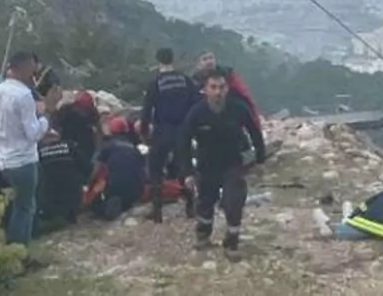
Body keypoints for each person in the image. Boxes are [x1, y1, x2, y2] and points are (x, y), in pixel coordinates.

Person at [178, 69, 266, 260]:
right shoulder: (196, 113)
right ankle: (203, 235)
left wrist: (260, 159)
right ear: (205, 90)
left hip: (233, 164)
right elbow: (183, 142)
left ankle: (231, 244)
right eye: (213, 87)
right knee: (205, 203)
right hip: (206, 165)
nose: (218, 92)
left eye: (222, 87)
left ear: (228, 88)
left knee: (233, 202)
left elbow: (255, 133)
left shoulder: (239, 109)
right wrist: (188, 172)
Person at [0, 50, 56, 247]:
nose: (34, 76)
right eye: (32, 71)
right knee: (25, 207)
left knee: (16, 203)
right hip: (23, 160)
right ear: (23, 69)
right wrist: (46, 116)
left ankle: (13, 245)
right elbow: (33, 133)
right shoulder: (23, 95)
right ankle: (19, 251)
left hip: (3, 158)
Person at [140, 47, 199, 223]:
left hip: (162, 130)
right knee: (185, 167)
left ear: (158, 61)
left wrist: (144, 132)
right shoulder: (185, 80)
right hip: (183, 129)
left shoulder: (155, 83)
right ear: (172, 60)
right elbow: (196, 103)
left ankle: (157, 211)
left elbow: (146, 111)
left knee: (156, 168)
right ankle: (190, 206)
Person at [90, 117, 146, 220]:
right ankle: (124, 205)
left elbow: (96, 168)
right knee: (126, 198)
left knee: (94, 205)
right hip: (137, 190)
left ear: (111, 130)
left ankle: (106, 207)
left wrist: (89, 183)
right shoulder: (134, 148)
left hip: (116, 187)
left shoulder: (108, 146)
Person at [193, 51, 263, 130]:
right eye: (204, 59)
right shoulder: (195, 81)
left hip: (232, 112)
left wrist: (255, 120)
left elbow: (244, 94)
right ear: (198, 64)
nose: (209, 61)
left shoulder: (228, 74)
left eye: (211, 58)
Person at [52, 90, 102, 181]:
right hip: (67, 143)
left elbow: (99, 131)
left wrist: (98, 150)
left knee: (85, 168)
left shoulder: (93, 113)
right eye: (82, 110)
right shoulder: (65, 110)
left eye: (86, 110)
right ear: (76, 106)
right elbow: (55, 127)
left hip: (85, 144)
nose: (84, 112)